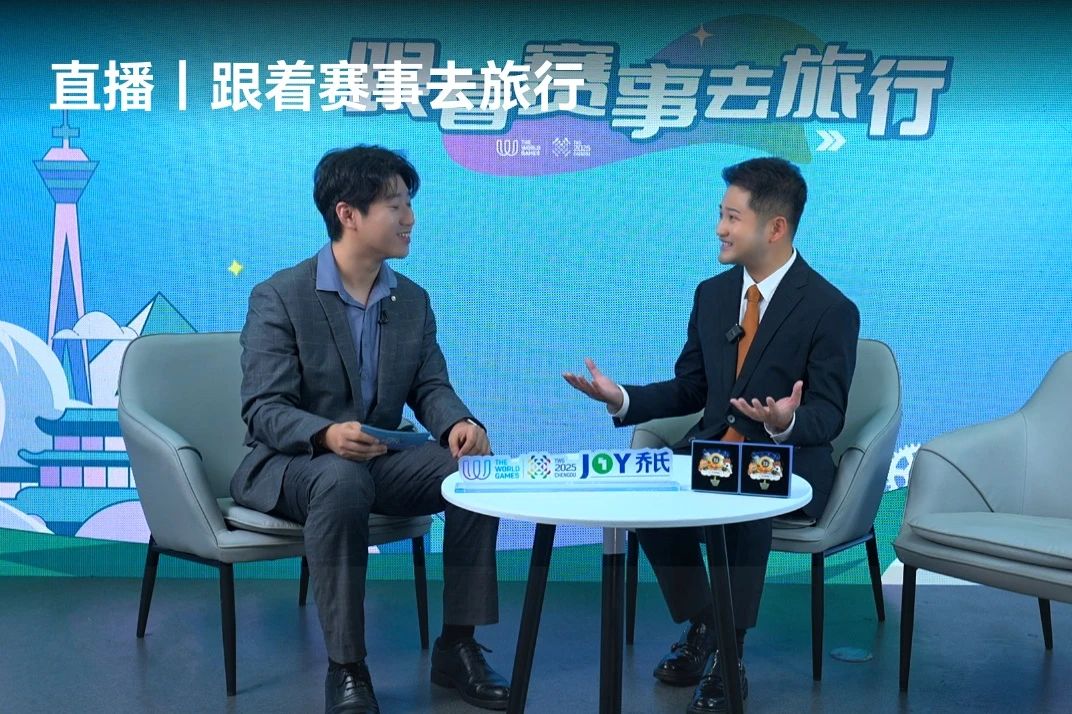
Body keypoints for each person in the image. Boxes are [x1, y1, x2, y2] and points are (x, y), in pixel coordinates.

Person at [563, 157, 859, 713]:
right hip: (713, 453)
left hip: (786, 463)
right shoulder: (713, 295)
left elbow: (829, 415)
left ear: (775, 227)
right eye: (720, 214)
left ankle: (729, 653)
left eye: (732, 217)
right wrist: (621, 397)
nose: (720, 229)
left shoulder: (830, 308)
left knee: (742, 499)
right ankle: (707, 624)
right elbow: (692, 388)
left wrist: (783, 422)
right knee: (644, 489)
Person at [231, 145, 510, 713]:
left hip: (377, 460)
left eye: (409, 204)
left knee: (474, 472)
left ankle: (457, 645)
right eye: (395, 205)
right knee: (341, 480)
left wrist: (459, 422)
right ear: (348, 214)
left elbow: (430, 386)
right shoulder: (280, 296)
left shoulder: (411, 300)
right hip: (294, 466)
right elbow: (264, 408)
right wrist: (326, 435)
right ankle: (347, 667)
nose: (410, 218)